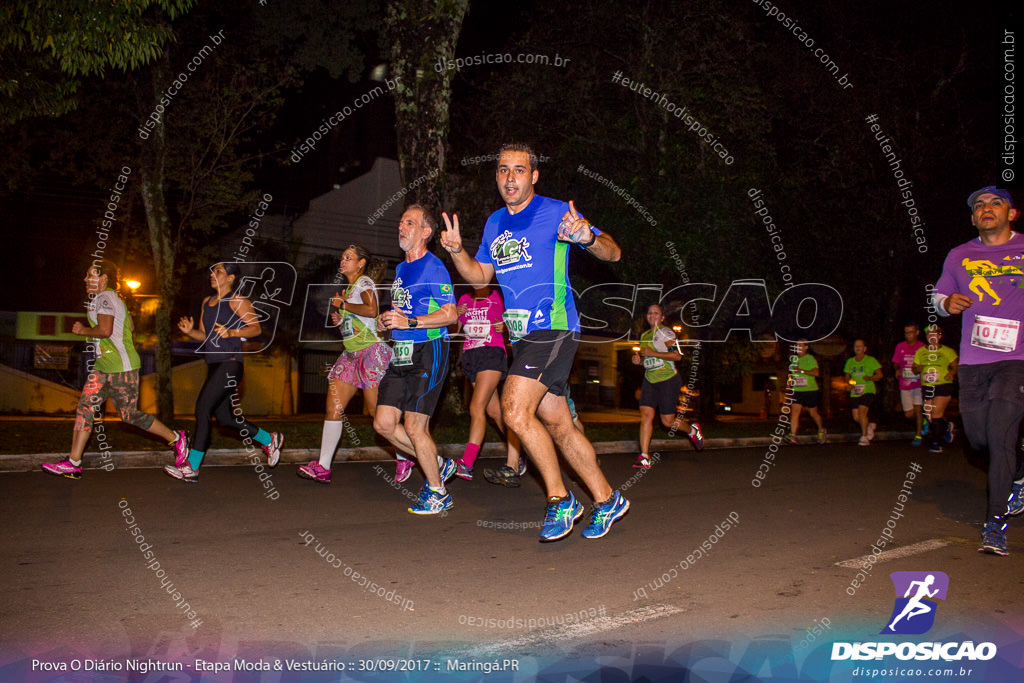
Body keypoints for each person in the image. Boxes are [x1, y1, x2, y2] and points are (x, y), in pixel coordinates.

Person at [440, 142, 629, 541]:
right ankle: (607, 498)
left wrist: (585, 237)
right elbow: (478, 281)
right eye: (504, 170)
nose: (511, 178)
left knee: (513, 409)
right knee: (558, 425)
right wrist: (457, 253)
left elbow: (612, 253)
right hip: (524, 338)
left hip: (555, 326)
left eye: (519, 170)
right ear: (496, 177)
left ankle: (561, 501)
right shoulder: (493, 223)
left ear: (534, 176)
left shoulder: (556, 211)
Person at [932, 185, 1024, 555]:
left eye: (995, 203)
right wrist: (946, 302)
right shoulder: (958, 255)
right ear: (973, 218)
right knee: (980, 439)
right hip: (973, 361)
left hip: (1017, 360)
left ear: (1011, 214)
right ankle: (1018, 474)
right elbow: (939, 297)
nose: (987, 209)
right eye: (979, 206)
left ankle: (994, 527)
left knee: (1000, 436)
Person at [42, 260, 190, 479]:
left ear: (103, 279)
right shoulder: (112, 298)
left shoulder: (104, 298)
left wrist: (83, 329)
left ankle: (177, 439)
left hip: (121, 367)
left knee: (129, 415)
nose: (85, 279)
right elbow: (129, 325)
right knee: (85, 409)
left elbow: (105, 329)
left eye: (90, 275)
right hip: (104, 366)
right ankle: (73, 463)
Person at [373, 205, 459, 514]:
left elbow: (450, 314)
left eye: (409, 223)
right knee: (383, 423)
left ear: (425, 232)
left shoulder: (434, 267)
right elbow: (404, 313)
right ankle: (437, 463)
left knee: (414, 425)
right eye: (400, 223)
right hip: (402, 352)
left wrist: (409, 322)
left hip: (430, 350)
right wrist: (388, 321)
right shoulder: (400, 270)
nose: (401, 227)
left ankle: (438, 492)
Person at [164, 262, 284, 482]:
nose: (212, 274)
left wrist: (232, 332)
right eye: (212, 271)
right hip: (214, 363)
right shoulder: (206, 303)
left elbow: (256, 328)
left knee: (202, 409)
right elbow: (204, 335)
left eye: (218, 271)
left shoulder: (237, 301)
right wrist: (191, 332)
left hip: (230, 363)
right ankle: (269, 439)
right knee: (225, 418)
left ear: (230, 278)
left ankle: (192, 467)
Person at [298, 245, 393, 484]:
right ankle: (323, 466)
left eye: (348, 258)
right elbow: (357, 323)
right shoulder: (350, 288)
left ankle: (405, 456)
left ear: (361, 263)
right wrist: (342, 321)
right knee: (333, 407)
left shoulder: (365, 283)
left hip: (370, 353)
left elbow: (372, 310)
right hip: (350, 355)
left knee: (376, 415)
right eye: (342, 257)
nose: (343, 261)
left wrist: (343, 306)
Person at [451, 285, 526, 484]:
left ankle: (466, 463)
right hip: (471, 357)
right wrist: (453, 316)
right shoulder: (464, 300)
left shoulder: (498, 297)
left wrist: (506, 327)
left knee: (476, 407)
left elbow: (516, 323)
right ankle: (519, 452)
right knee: (494, 411)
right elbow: (453, 333)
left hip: (491, 353)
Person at [631, 304, 703, 468]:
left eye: (656, 313)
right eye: (649, 312)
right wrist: (639, 361)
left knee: (668, 422)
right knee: (646, 416)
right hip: (650, 380)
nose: (652, 315)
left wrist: (652, 353)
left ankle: (692, 431)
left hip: (668, 380)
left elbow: (677, 355)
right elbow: (646, 358)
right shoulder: (645, 335)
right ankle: (644, 456)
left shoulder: (666, 333)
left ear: (662, 317)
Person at [912, 325, 958, 454]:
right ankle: (946, 426)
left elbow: (955, 365)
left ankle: (936, 443)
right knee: (929, 415)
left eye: (933, 334)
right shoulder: (921, 351)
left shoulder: (948, 351)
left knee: (935, 414)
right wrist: (917, 369)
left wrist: (952, 373)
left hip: (943, 384)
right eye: (928, 334)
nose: (930, 337)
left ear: (939, 336)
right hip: (927, 386)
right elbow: (914, 368)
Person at [843, 339, 882, 446]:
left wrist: (870, 378)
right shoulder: (850, 361)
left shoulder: (870, 360)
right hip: (855, 391)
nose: (858, 348)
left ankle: (864, 437)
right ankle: (868, 426)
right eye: (856, 346)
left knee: (862, 412)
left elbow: (879, 375)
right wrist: (850, 384)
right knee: (856, 417)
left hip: (868, 390)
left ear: (864, 348)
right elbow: (848, 377)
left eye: (860, 346)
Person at [892, 323, 926, 445]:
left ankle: (918, 435)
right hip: (905, 384)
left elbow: (926, 364)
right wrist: (897, 369)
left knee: (917, 410)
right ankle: (923, 421)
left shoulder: (922, 347)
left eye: (911, 332)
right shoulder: (900, 346)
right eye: (906, 333)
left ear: (917, 333)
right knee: (909, 414)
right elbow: (896, 362)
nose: (908, 335)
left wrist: (919, 368)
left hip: (918, 384)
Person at [787, 340, 826, 445]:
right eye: (797, 345)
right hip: (798, 390)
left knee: (813, 413)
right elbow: (793, 374)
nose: (798, 347)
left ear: (806, 347)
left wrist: (802, 371)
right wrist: (790, 385)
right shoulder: (794, 359)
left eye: (800, 345)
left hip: (810, 390)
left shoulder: (810, 358)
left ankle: (821, 430)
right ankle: (793, 435)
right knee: (795, 412)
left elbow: (816, 373)